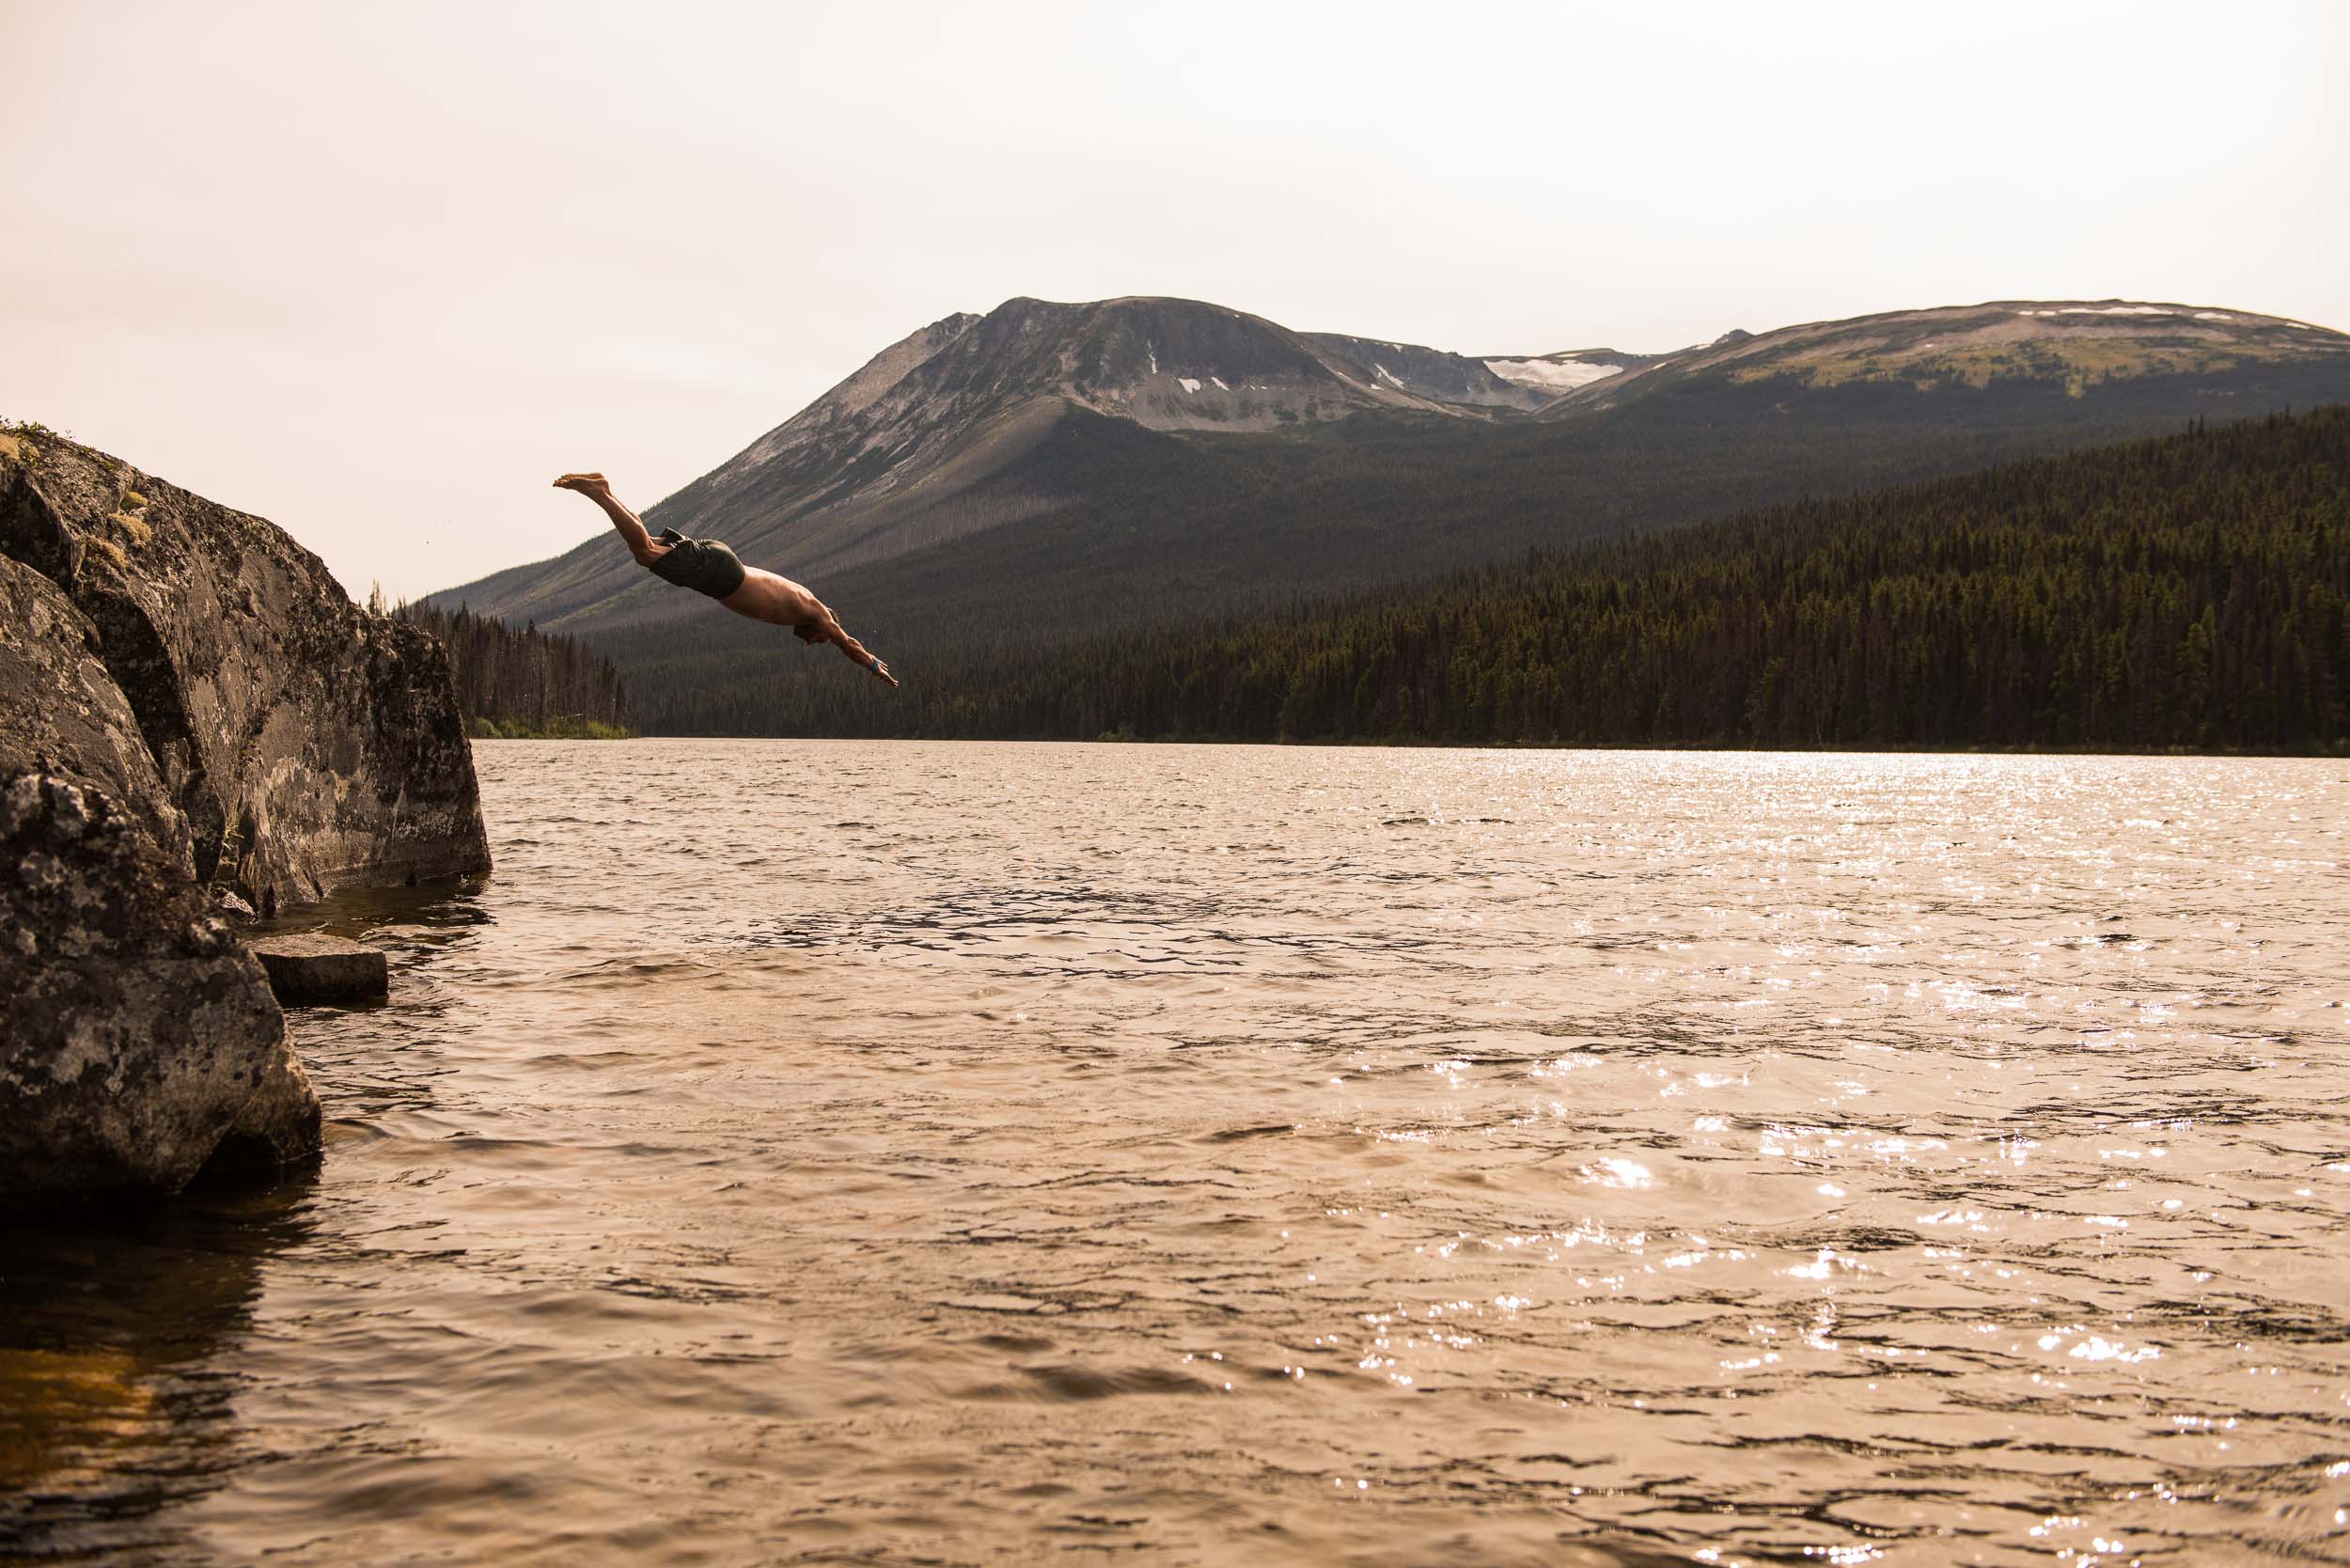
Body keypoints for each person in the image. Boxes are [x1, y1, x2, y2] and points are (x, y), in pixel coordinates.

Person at [553, 473, 897, 687]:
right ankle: (599, 493)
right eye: (820, 640)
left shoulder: (804, 604)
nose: (814, 642)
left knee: (651, 547)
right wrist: (874, 665)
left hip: (721, 570)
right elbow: (849, 644)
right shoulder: (817, 613)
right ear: (829, 625)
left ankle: (606, 491)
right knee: (644, 552)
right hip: (723, 574)